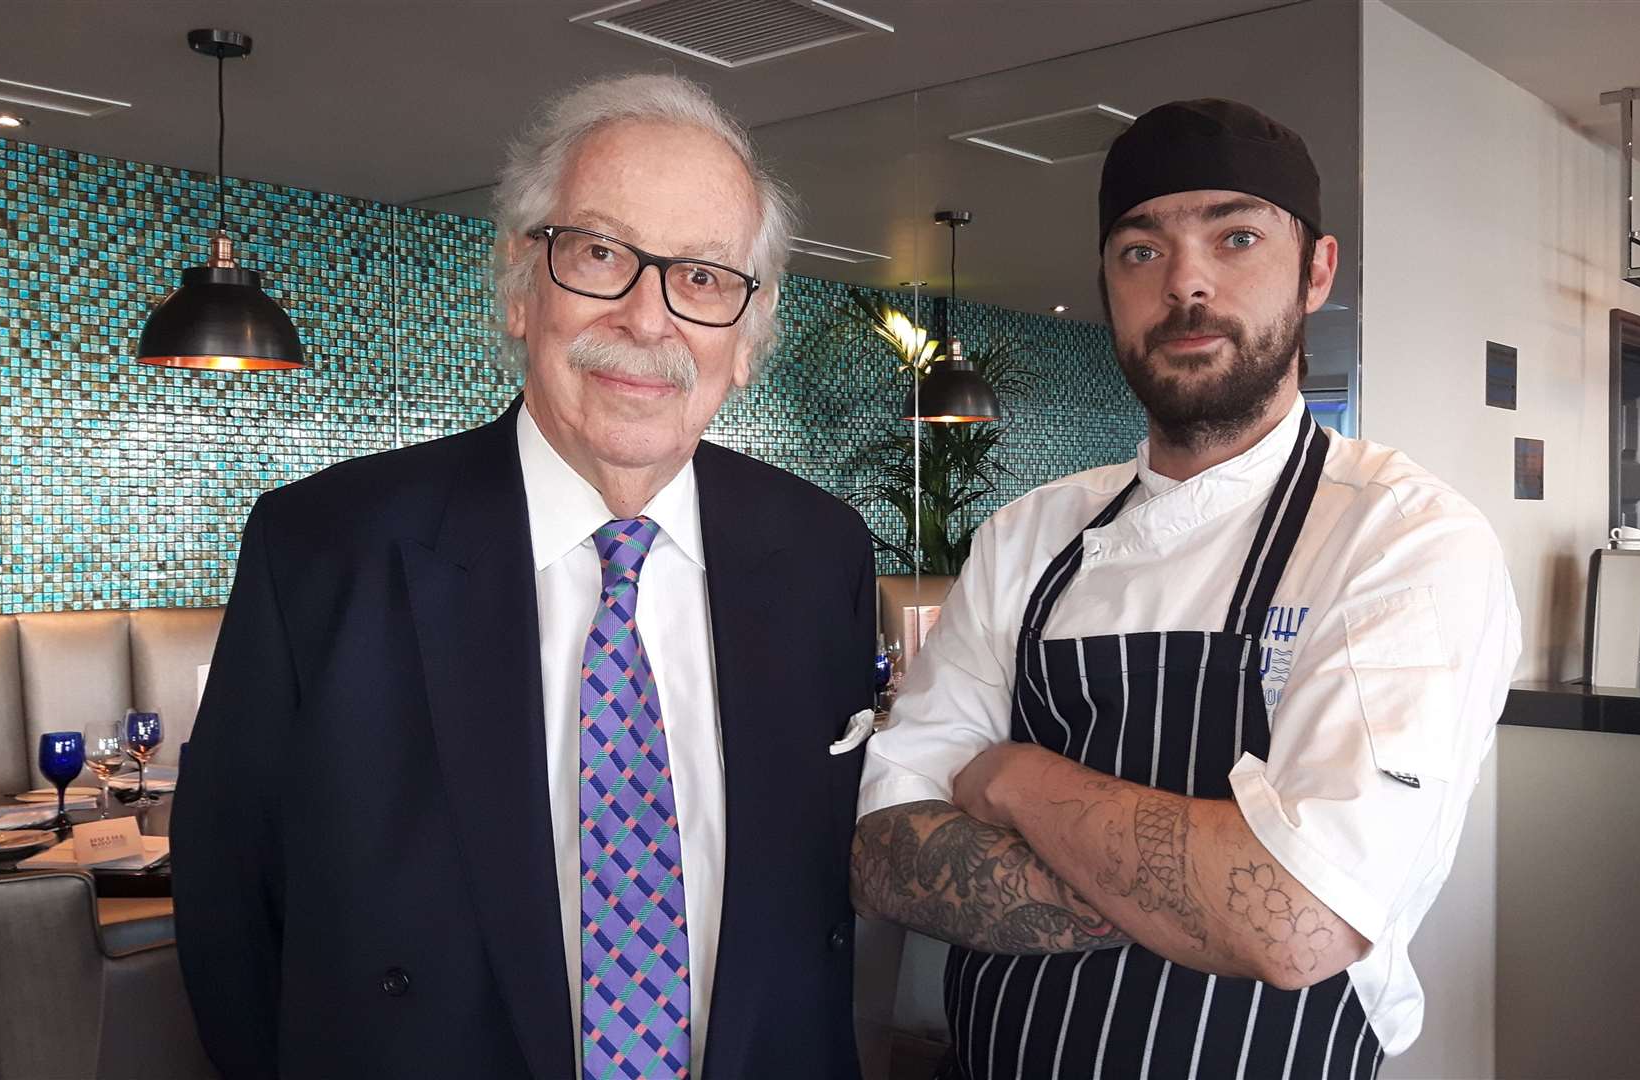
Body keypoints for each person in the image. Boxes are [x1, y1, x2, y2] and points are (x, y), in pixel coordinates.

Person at [172, 73, 874, 1080]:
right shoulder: (322, 547)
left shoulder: (821, 553)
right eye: (600, 254)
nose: (648, 318)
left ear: (748, 338)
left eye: (705, 279)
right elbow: (229, 907)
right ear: (521, 282)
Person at [851, 99, 1522, 1078]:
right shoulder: (1026, 538)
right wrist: (1196, 883)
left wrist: (1008, 777)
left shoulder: (1403, 540)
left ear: (1317, 270)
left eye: (1237, 236)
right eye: (1139, 252)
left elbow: (1298, 921)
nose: (1186, 283)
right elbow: (881, 845)